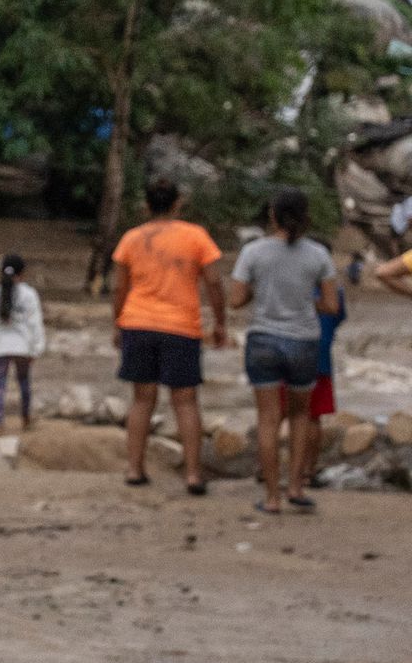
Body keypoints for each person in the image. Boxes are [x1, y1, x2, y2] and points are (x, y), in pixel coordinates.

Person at [228, 187, 341, 514]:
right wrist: (306, 301)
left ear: (272, 215)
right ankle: (295, 488)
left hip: (263, 338)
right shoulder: (319, 254)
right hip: (304, 340)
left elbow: (236, 300)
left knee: (268, 419)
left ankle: (271, 498)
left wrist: (260, 293)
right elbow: (331, 305)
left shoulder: (253, 252)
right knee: (301, 416)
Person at [110, 179, 227, 493]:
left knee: (142, 400)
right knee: (186, 402)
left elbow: (120, 287)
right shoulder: (196, 236)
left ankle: (135, 469)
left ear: (146, 206)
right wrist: (220, 322)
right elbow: (214, 283)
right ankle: (192, 474)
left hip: (138, 322)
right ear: (178, 203)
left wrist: (118, 323)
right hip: (181, 327)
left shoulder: (131, 239)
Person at [0, 252, 45, 436]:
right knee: (23, 382)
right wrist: (36, 349)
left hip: (0, 347)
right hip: (22, 347)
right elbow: (35, 323)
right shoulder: (29, 294)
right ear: (22, 273)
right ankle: (26, 418)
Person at [299, 265, 344, 496]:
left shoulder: (297, 284)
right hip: (321, 358)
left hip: (293, 350)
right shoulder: (336, 291)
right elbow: (338, 316)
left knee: (281, 414)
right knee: (313, 417)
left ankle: (271, 470)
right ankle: (309, 471)